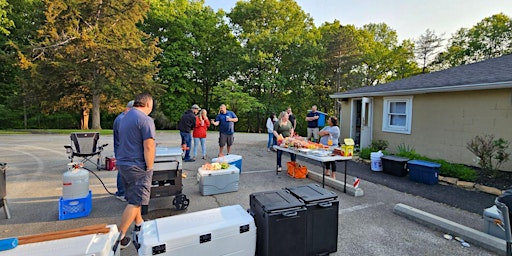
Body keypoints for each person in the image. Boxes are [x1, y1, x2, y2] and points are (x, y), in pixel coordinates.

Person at [116, 92, 156, 249]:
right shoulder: (145, 120)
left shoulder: (124, 117)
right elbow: (149, 145)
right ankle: (119, 237)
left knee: (134, 195)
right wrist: (150, 167)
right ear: (147, 104)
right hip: (137, 166)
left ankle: (139, 223)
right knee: (136, 201)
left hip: (124, 163)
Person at [113, 100, 134, 202]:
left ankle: (124, 191)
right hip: (122, 150)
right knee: (122, 171)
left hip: (124, 149)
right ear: (129, 109)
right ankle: (121, 192)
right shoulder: (122, 120)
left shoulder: (124, 119)